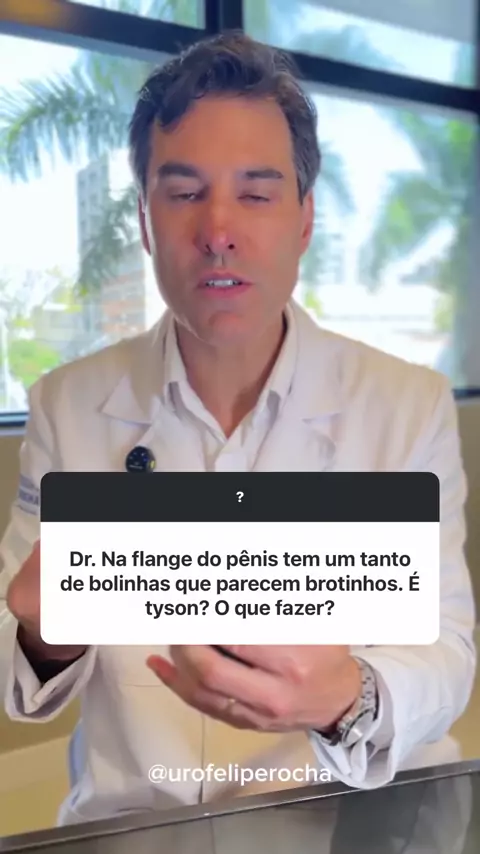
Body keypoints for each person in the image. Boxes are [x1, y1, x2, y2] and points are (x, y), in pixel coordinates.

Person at [0, 31, 476, 827]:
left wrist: (346, 696)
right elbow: (18, 667)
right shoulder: (66, 406)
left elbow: (446, 653)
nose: (218, 229)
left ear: (304, 219)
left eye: (256, 194)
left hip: (339, 824)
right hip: (136, 824)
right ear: (145, 221)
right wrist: (45, 635)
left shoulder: (407, 406)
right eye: (184, 192)